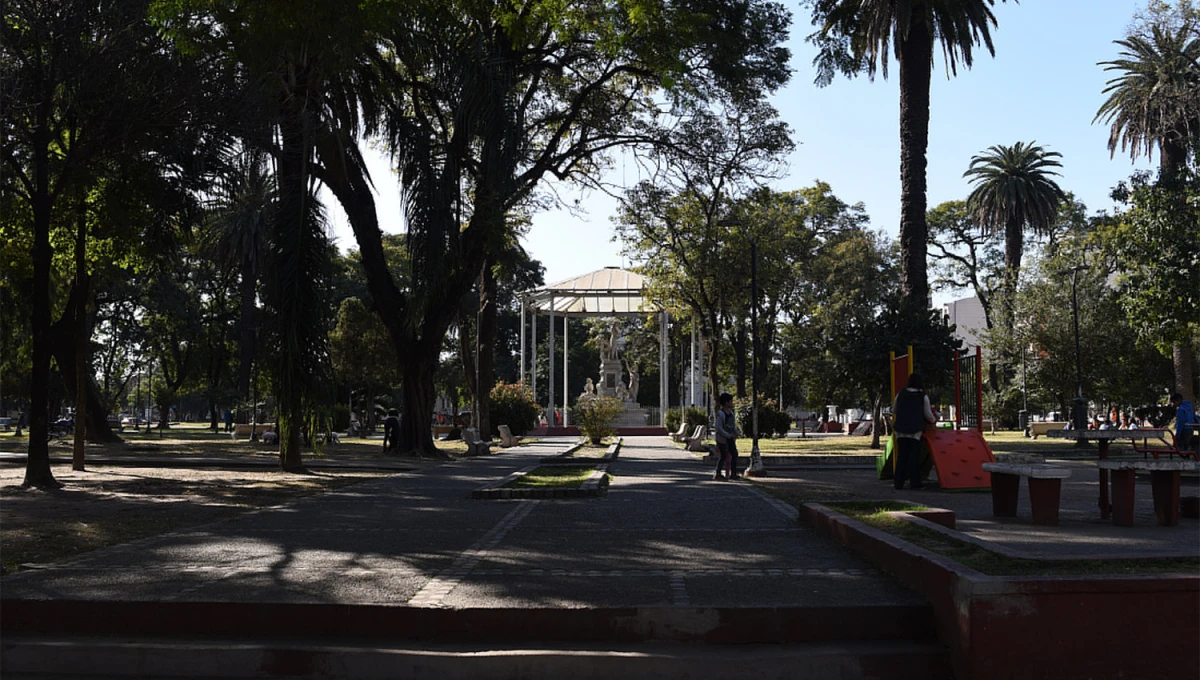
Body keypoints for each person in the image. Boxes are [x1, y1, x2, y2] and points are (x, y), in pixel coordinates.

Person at [892, 372, 937, 490]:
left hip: (900, 430)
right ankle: (915, 483)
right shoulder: (923, 396)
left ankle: (898, 483)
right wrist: (934, 419)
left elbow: (894, 409)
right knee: (913, 458)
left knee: (902, 457)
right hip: (915, 430)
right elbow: (928, 414)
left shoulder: (900, 394)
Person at [713, 392, 739, 480]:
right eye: (731, 401)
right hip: (723, 439)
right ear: (726, 402)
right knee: (723, 456)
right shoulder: (721, 414)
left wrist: (736, 432)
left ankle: (733, 473)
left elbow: (732, 425)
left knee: (734, 454)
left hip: (731, 438)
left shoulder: (731, 413)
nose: (732, 403)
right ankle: (718, 473)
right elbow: (719, 428)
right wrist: (727, 435)